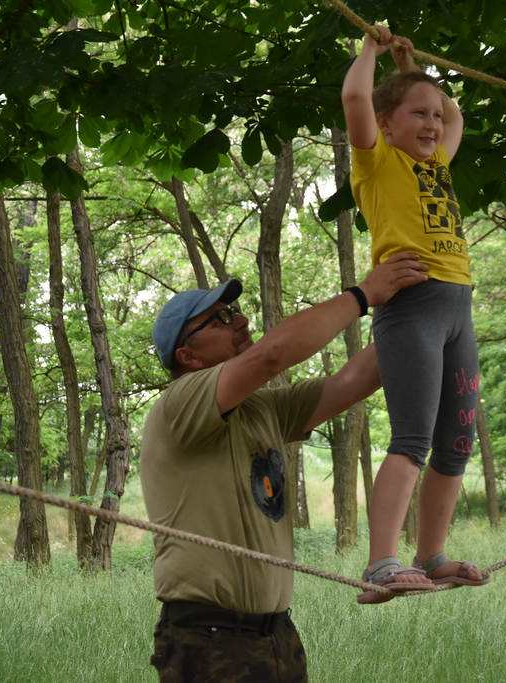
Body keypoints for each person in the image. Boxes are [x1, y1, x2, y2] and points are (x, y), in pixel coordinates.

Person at [139, 253, 428, 682]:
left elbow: (351, 382)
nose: (239, 321)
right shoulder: (179, 403)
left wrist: (421, 314)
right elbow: (272, 355)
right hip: (208, 640)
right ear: (189, 356)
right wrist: (364, 295)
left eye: (234, 311)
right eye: (219, 319)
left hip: (276, 637)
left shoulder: (262, 410)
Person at [341, 26, 489, 604]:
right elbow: (357, 99)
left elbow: (455, 122)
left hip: (459, 309)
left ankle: (432, 557)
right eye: (417, 113)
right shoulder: (377, 163)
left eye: (433, 113)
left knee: (457, 445)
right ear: (386, 124)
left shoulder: (438, 166)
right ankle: (381, 566)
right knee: (412, 438)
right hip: (412, 310)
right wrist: (372, 54)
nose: (432, 124)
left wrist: (417, 67)